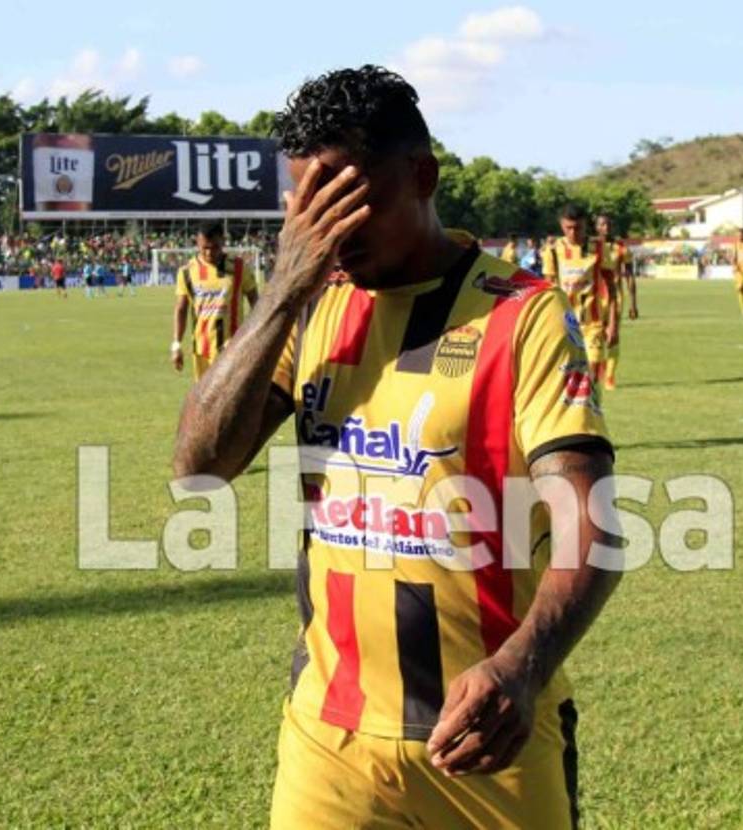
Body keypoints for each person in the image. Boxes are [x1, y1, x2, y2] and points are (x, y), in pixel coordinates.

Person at [172, 65, 620, 829]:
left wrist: (523, 665)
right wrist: (283, 291)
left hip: (493, 736)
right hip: (331, 739)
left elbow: (593, 525)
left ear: (421, 176)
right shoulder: (311, 311)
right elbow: (200, 467)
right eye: (306, 206)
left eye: (346, 198)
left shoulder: (525, 315)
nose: (328, 228)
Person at [171, 222, 259, 379]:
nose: (209, 253)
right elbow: (181, 309)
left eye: (215, 247)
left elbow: (256, 302)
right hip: (201, 350)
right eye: (204, 247)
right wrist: (176, 344)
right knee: (205, 401)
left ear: (223, 242)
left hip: (233, 349)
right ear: (197, 242)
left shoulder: (239, 267)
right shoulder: (186, 272)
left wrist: (253, 335)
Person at [543, 203, 617, 383]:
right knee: (565, 378)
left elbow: (612, 287)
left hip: (593, 323)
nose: (573, 233)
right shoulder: (553, 251)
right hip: (564, 324)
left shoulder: (599, 248)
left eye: (578, 228)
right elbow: (547, 290)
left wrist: (613, 324)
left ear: (585, 225)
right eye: (569, 228)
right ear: (562, 225)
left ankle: (591, 406)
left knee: (591, 376)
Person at [594, 214, 635, 391]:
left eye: (609, 224)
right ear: (596, 227)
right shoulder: (591, 247)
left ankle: (609, 376)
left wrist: (634, 303)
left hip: (615, 297)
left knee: (613, 336)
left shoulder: (621, 248)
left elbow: (630, 275)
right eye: (603, 224)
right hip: (594, 296)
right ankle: (597, 367)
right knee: (594, 334)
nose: (606, 227)